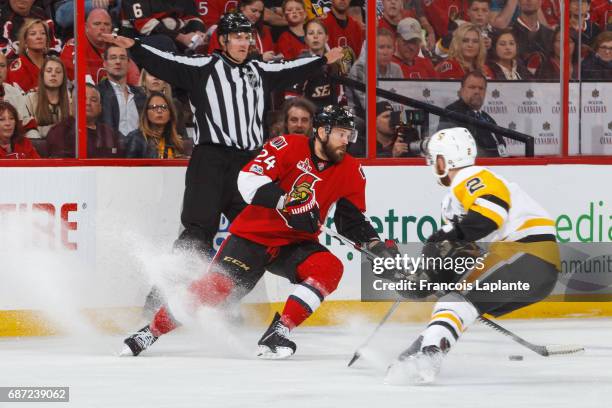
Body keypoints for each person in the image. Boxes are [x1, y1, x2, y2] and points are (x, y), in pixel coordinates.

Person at [120, 106, 401, 358]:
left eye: (349, 135)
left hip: (294, 243)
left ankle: (279, 332)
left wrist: (376, 246)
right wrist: (288, 203)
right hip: (252, 237)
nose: (346, 141)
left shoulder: (350, 170)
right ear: (321, 131)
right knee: (215, 289)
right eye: (340, 134)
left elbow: (349, 219)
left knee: (329, 268)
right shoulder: (287, 146)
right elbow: (248, 180)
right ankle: (150, 331)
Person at [102, 12, 344, 261]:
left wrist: (322, 59)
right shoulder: (204, 67)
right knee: (198, 231)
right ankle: (168, 294)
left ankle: (222, 292)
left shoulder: (259, 70)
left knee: (258, 235)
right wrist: (136, 46)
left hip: (248, 165)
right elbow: (167, 62)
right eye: (237, 37)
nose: (243, 43)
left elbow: (291, 68)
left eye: (247, 37)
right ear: (223, 40)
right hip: (211, 161)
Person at [385, 127, 559, 384]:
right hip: (537, 270)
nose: (432, 164)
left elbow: (490, 214)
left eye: (434, 159)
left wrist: (444, 235)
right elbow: (459, 256)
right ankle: (419, 350)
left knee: (457, 301)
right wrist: (420, 282)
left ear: (443, 161)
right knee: (460, 303)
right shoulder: (455, 199)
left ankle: (428, 354)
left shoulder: (472, 176)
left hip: (525, 255)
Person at [438, 71, 506, 157]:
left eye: (481, 88)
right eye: (472, 87)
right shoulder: (453, 112)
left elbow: (502, 144)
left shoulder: (486, 117)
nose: (477, 91)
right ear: (462, 90)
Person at [47, 84, 124, 158]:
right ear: (71, 105)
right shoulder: (61, 132)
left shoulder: (109, 133)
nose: (88, 103)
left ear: (100, 107)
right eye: (83, 98)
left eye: (93, 100)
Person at [97, 45, 147, 139]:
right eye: (113, 58)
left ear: (128, 64)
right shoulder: (98, 93)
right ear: (105, 63)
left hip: (139, 151)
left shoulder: (141, 95)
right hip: (109, 150)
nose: (118, 62)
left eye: (122, 58)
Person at [120, 0, 207, 52]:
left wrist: (197, 33)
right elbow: (146, 26)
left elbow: (192, 16)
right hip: (138, 40)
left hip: (175, 37)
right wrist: (182, 38)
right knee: (164, 41)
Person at [208, 0, 277, 61]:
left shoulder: (263, 31)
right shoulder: (224, 30)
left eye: (260, 12)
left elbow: (270, 53)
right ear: (242, 7)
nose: (257, 15)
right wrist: (259, 58)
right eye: (253, 10)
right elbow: (218, 59)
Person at [125, 91, 186, 158]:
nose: (159, 111)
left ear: (170, 114)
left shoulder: (176, 142)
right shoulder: (135, 139)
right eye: (154, 107)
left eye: (164, 107)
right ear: (146, 113)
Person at [25, 56, 71, 139]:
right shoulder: (29, 99)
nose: (53, 74)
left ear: (63, 77)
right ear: (42, 75)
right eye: (49, 71)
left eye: (58, 71)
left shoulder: (71, 100)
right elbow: (28, 130)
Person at [0, 52, 39, 139]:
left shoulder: (14, 92)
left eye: (2, 66)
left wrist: (34, 140)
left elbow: (28, 126)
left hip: (13, 145)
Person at [6, 19, 50, 93]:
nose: (39, 37)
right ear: (25, 41)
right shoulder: (18, 67)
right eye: (33, 34)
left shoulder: (54, 63)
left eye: (43, 33)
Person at [511, 0, 554, 73]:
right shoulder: (510, 33)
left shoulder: (550, 34)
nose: (529, 0)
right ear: (518, 2)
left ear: (540, 2)